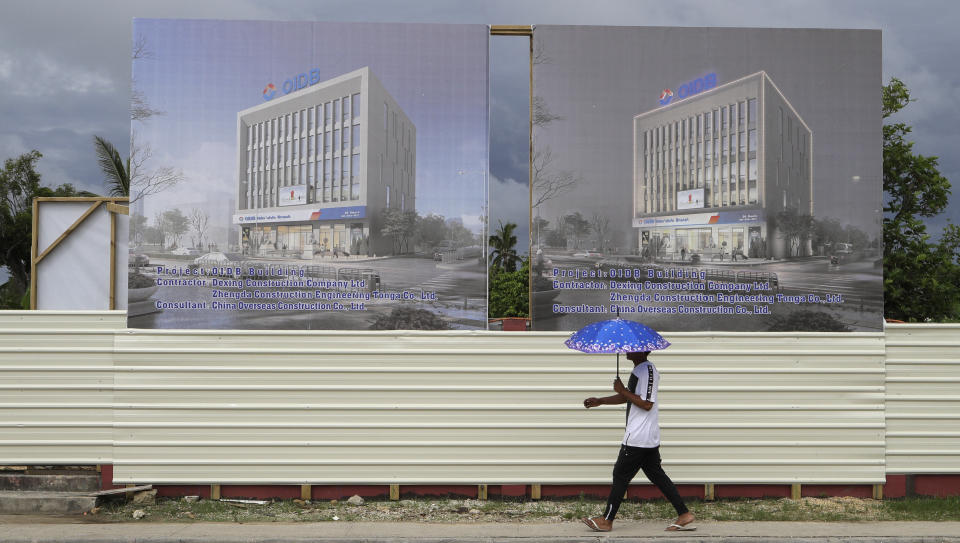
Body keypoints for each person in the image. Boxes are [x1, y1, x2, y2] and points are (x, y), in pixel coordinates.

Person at [581, 351, 695, 533]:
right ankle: (684, 514)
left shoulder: (648, 370)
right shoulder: (639, 370)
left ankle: (606, 520)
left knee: (620, 475)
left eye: (632, 347)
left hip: (638, 437)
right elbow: (630, 398)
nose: (627, 350)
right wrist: (601, 401)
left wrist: (622, 390)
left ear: (643, 351)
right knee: (657, 475)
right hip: (644, 437)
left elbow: (646, 403)